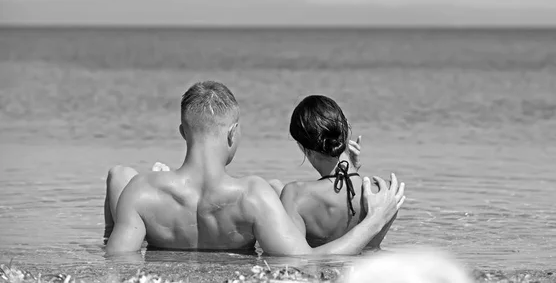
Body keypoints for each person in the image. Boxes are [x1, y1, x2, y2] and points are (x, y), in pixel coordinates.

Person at [104, 81, 405, 256]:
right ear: (233, 133)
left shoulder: (141, 192)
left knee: (120, 176)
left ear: (183, 132)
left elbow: (115, 264)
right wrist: (374, 220)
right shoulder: (253, 196)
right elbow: (308, 262)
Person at [279, 95, 397, 248]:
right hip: (367, 271)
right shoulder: (384, 196)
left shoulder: (295, 195)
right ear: (346, 130)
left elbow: (294, 260)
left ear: (301, 146)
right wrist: (354, 169)